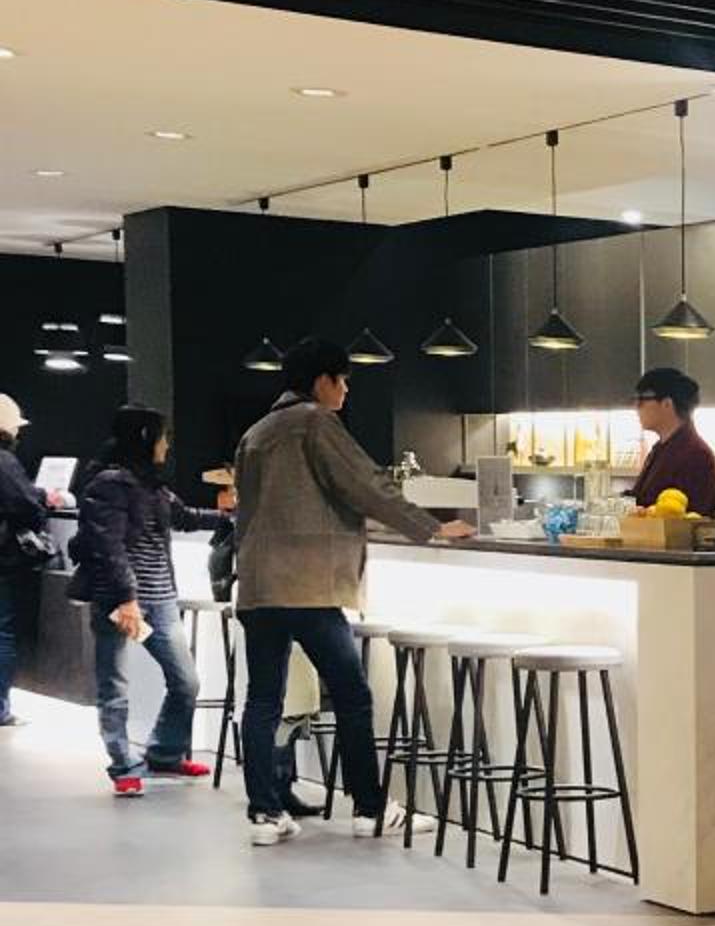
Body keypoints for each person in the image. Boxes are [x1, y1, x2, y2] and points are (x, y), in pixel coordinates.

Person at [231, 338, 472, 845]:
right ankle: (369, 807)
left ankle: (265, 815)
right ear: (322, 380)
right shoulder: (316, 423)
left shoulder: (257, 432)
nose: (344, 390)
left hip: (257, 585)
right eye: (341, 380)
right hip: (308, 586)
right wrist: (430, 527)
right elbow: (366, 485)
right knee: (352, 695)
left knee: (263, 700)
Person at [68, 404, 224, 794]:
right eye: (162, 436)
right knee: (114, 687)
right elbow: (109, 547)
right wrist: (126, 598)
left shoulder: (151, 485)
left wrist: (232, 517)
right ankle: (123, 766)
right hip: (120, 602)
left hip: (161, 599)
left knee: (186, 681)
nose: (167, 445)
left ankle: (165, 753)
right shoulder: (110, 484)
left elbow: (185, 517)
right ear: (144, 439)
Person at [0, 391, 69, 731]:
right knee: (3, 633)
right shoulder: (4, 461)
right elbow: (24, 505)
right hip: (3, 564)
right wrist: (44, 500)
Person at [628, 365, 715, 511]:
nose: (636, 407)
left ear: (667, 404)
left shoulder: (696, 455)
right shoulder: (661, 448)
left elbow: (692, 517)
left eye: (642, 400)